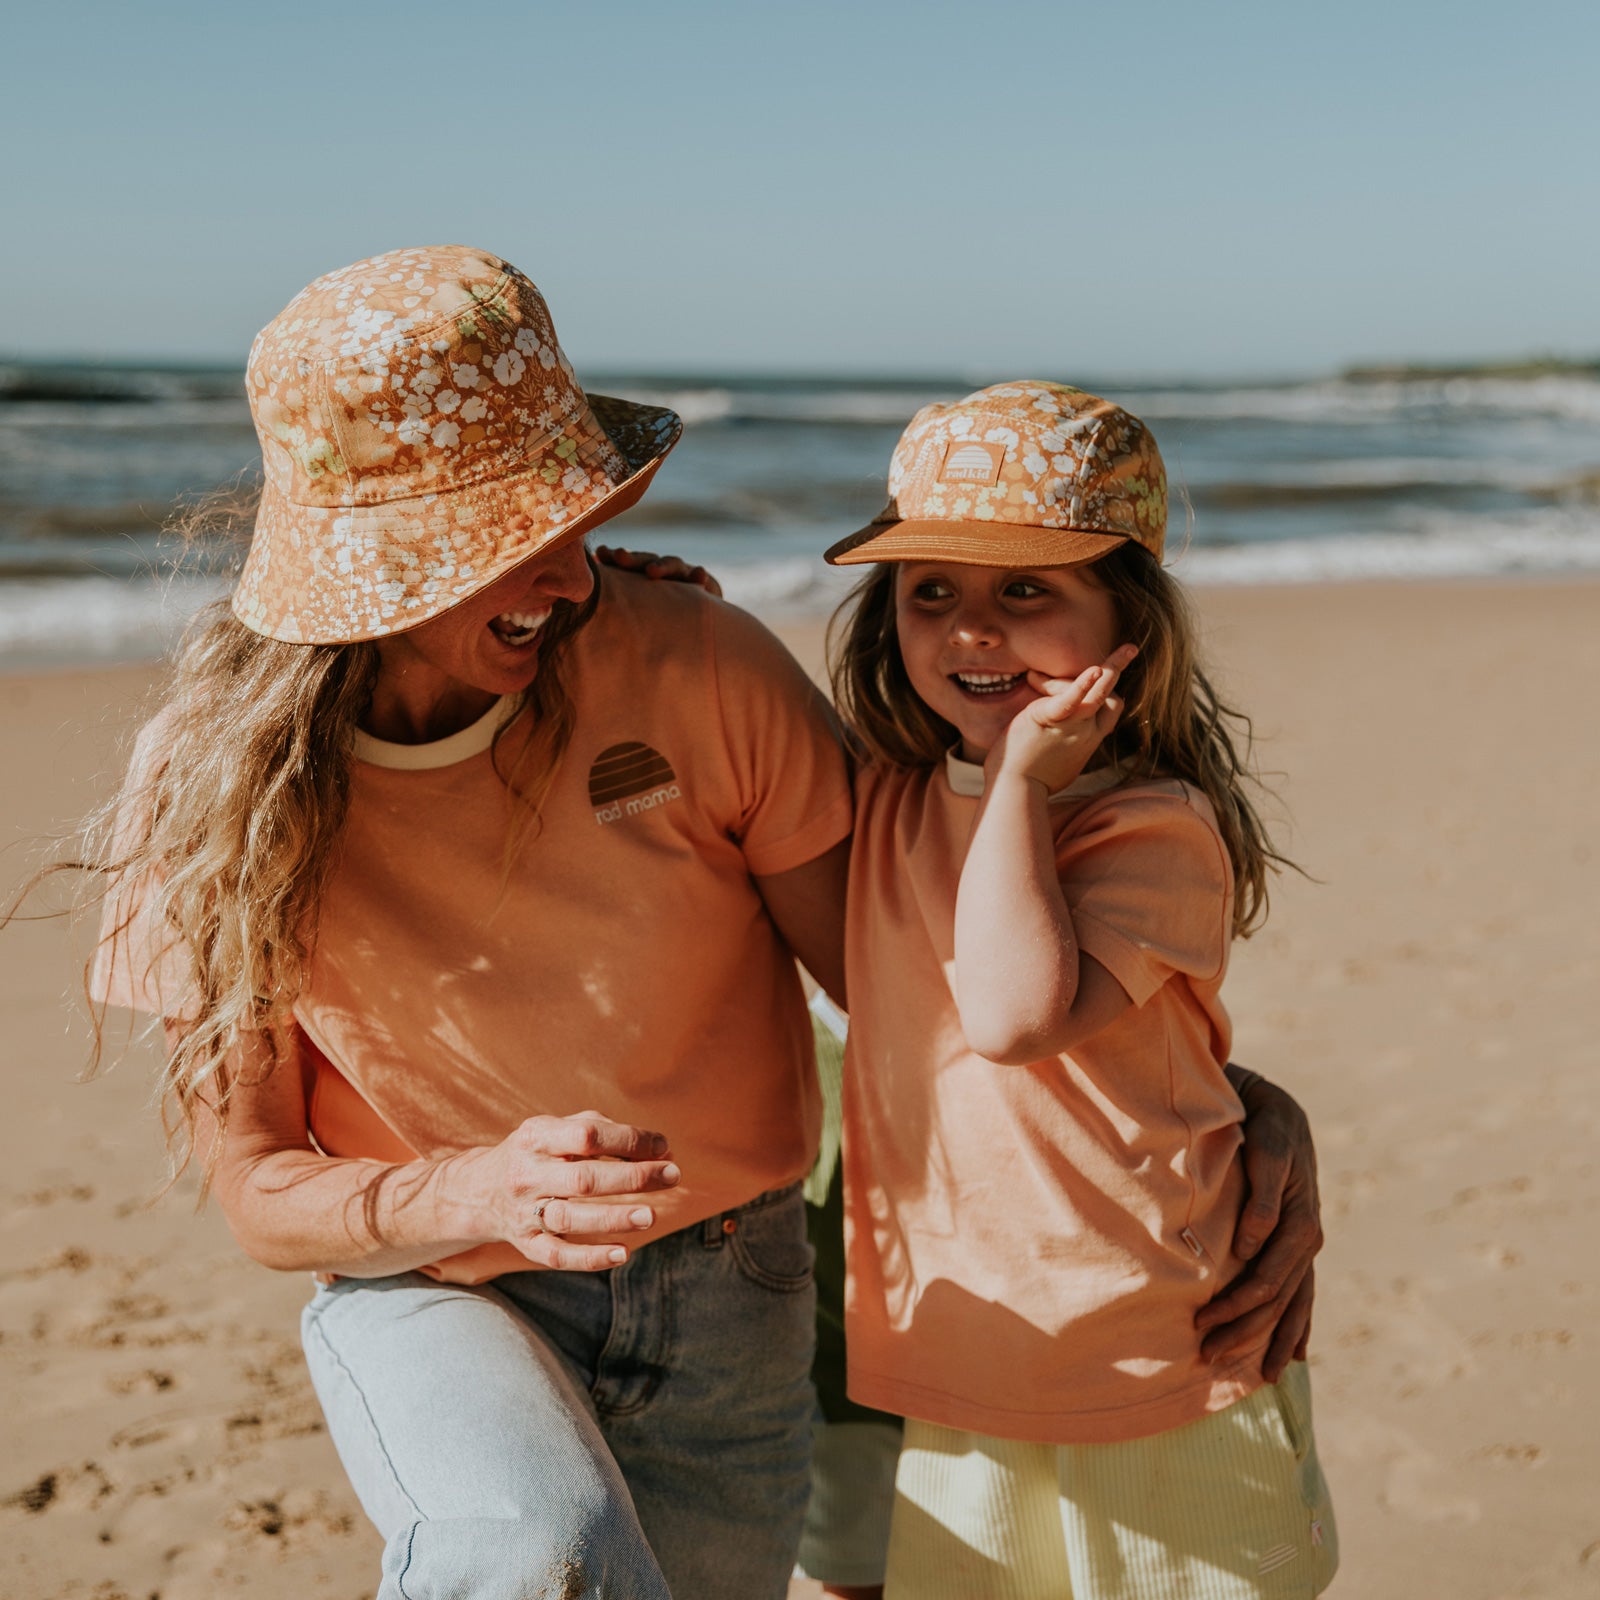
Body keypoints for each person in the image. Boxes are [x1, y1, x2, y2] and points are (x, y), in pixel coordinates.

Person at [71, 246, 1321, 1600]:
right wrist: (481, 1192)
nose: (569, 575)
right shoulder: (211, 787)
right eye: (503, 544)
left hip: (742, 1280)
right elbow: (259, 1188)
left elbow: (926, 991)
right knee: (530, 1556)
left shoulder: (696, 663)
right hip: (437, 1281)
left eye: (574, 516)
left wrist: (1235, 1111)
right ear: (367, 572)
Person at [822, 381, 1338, 1599]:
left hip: (1141, 1332)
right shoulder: (887, 797)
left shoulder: (1150, 830)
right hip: (972, 1343)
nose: (969, 631)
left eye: (1025, 590)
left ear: (1129, 626)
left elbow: (1011, 1015)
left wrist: (1017, 786)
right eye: (928, 591)